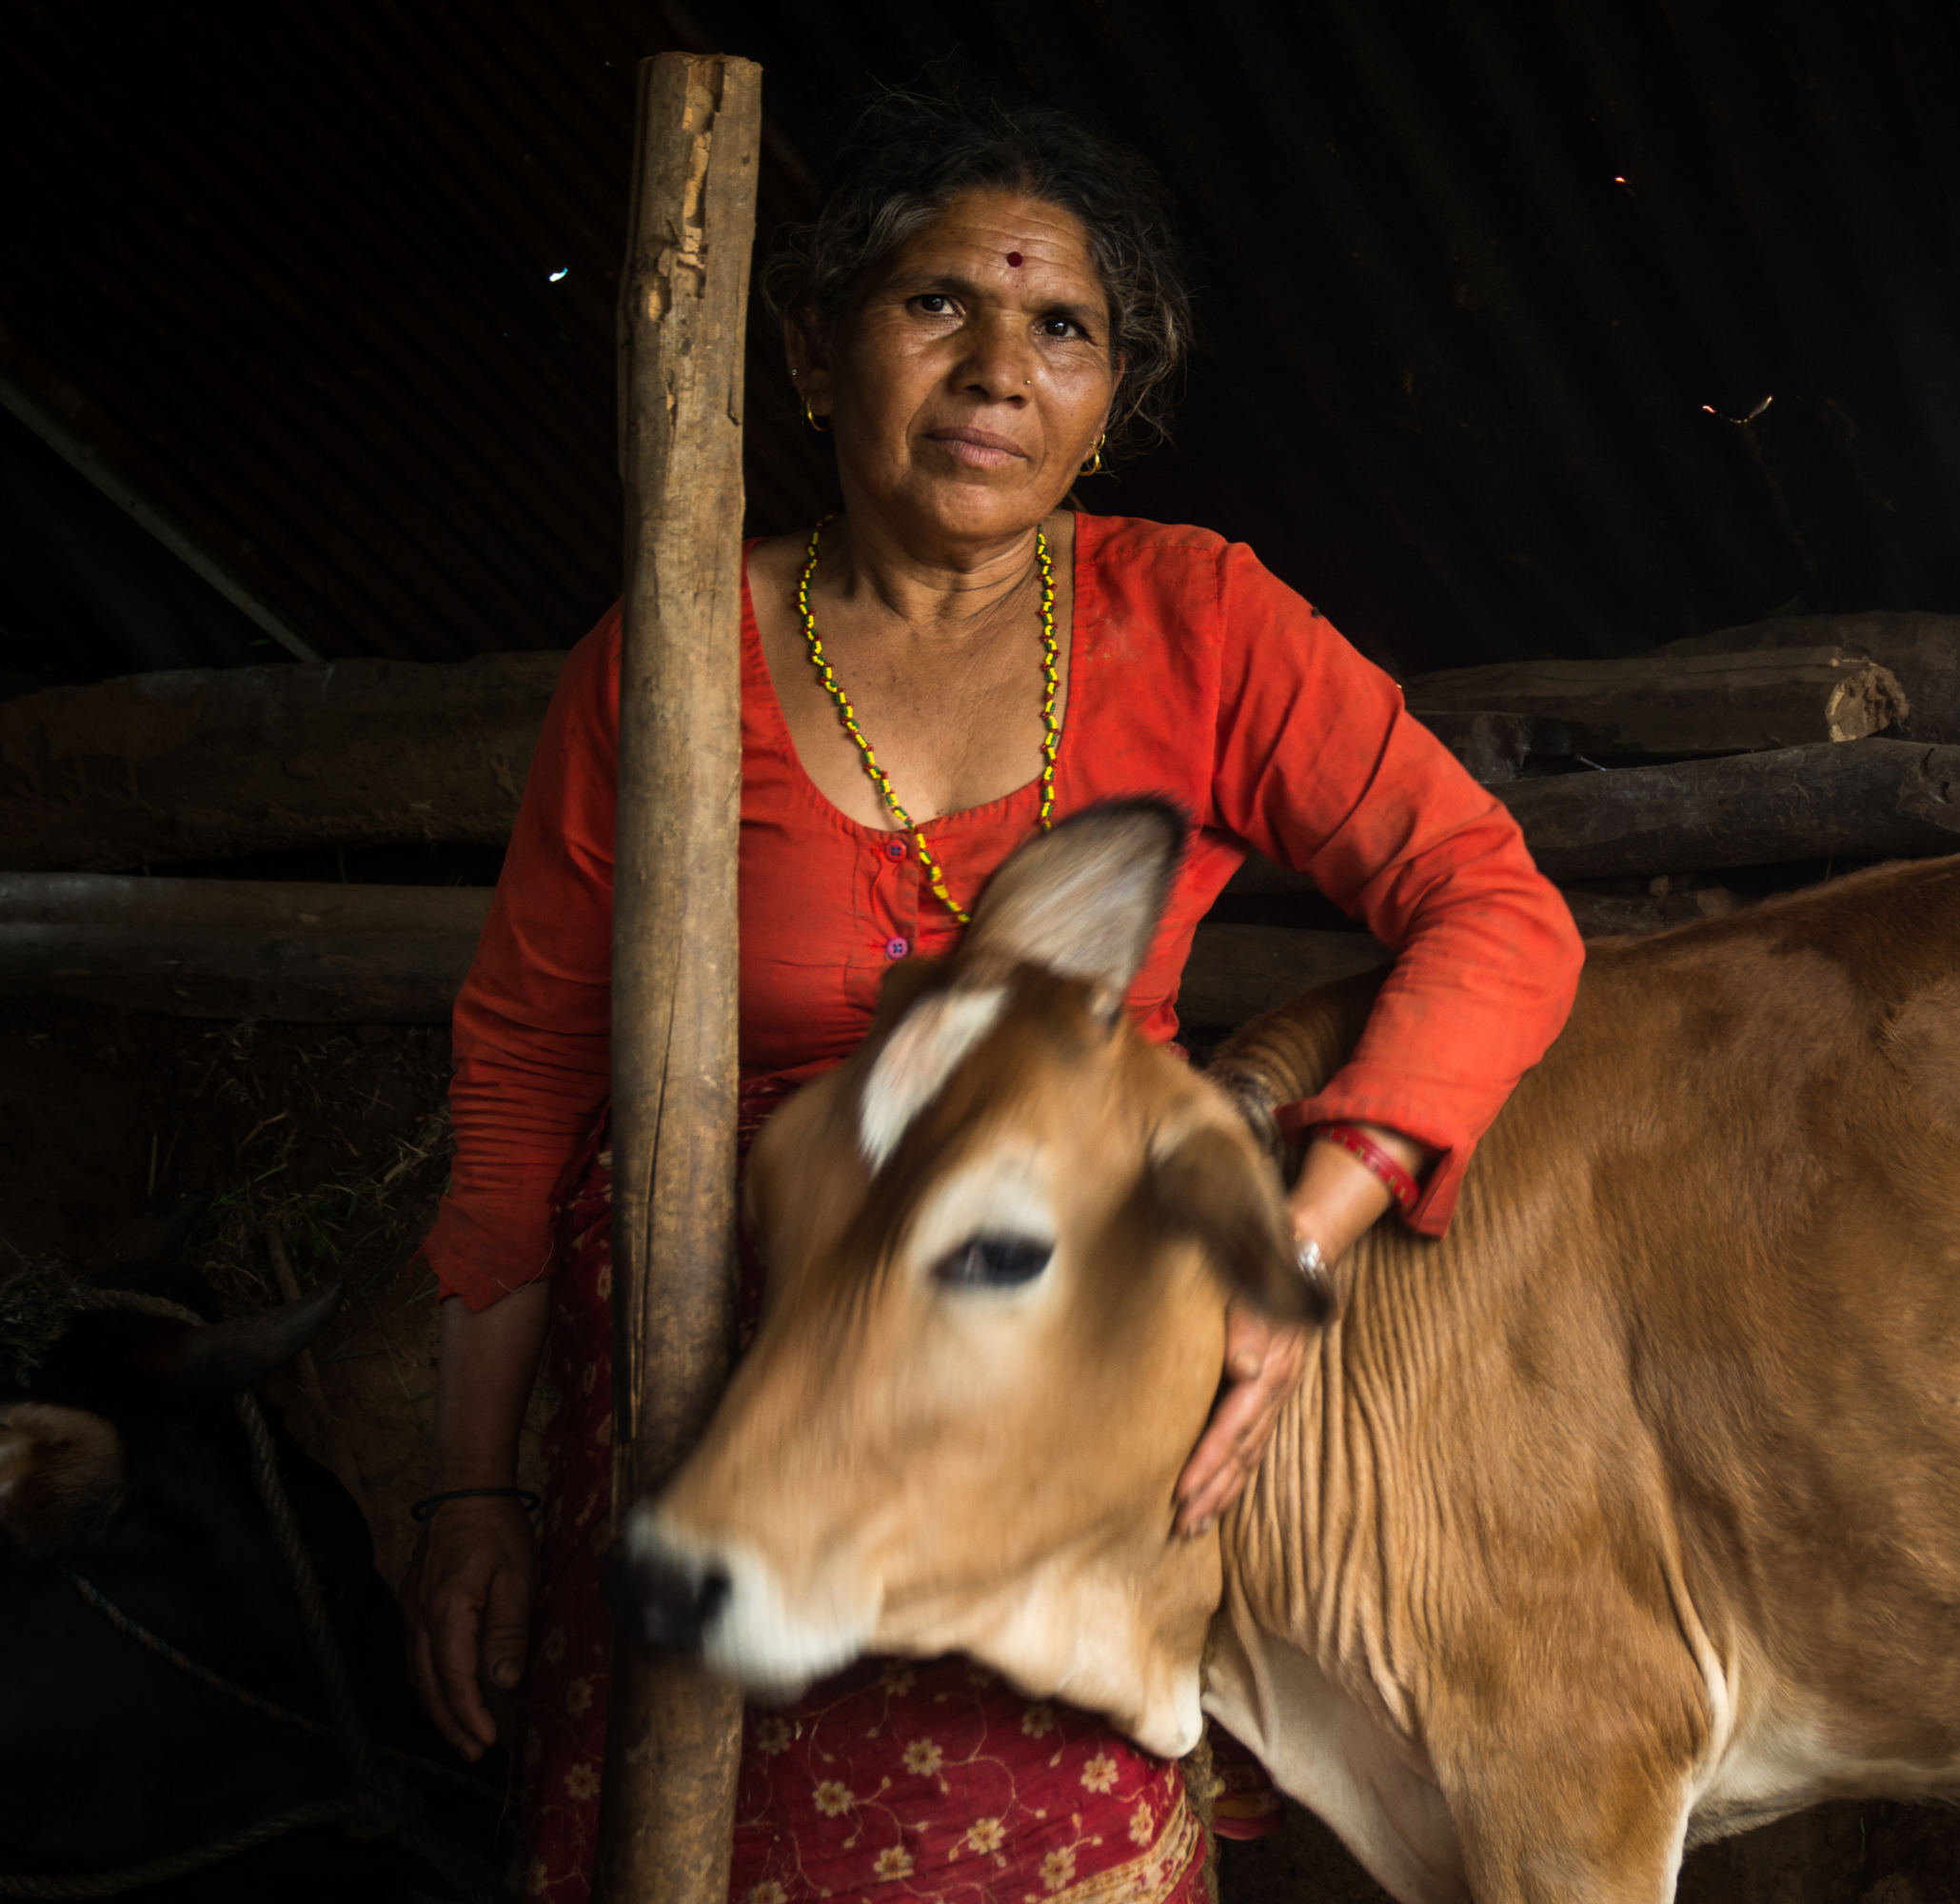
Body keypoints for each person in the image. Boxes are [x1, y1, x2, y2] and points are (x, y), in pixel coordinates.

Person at [398, 91, 1583, 1904]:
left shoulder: (1197, 619)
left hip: (1046, 1363)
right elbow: (528, 1064)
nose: (998, 370)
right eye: (935, 304)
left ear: (1113, 402)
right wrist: (471, 1487)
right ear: (808, 347)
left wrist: (1308, 1242)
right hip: (708, 1351)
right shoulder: (667, 653)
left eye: (1062, 328)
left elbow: (1495, 910)